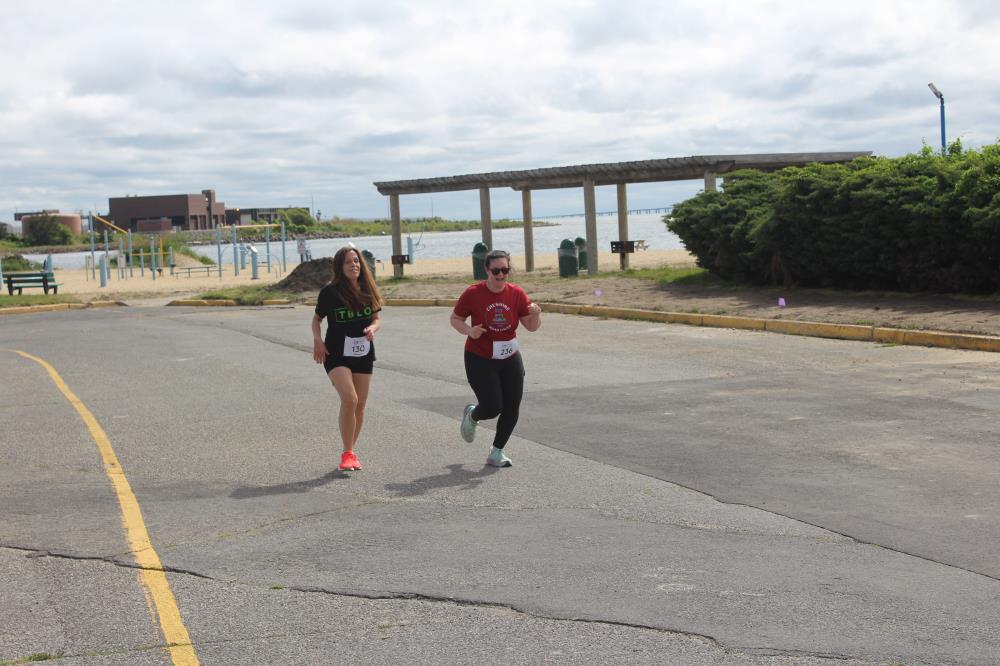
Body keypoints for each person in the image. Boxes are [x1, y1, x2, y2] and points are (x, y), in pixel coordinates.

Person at [450, 249, 542, 467]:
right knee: (492, 407)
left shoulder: (516, 293)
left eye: (505, 270)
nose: (501, 275)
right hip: (480, 357)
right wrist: (469, 330)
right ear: (487, 270)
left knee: (512, 406)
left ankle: (497, 452)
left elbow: (531, 327)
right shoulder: (473, 293)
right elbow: (455, 318)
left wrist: (536, 314)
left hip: (510, 356)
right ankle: (473, 415)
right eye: (496, 271)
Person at [312, 246, 384, 471]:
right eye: (348, 262)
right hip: (335, 354)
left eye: (356, 261)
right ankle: (347, 453)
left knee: (360, 405)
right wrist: (318, 341)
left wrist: (373, 328)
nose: (353, 265)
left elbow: (376, 318)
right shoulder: (330, 292)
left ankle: (350, 451)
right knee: (350, 399)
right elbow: (316, 319)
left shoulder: (368, 288)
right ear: (339, 267)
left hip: (363, 353)